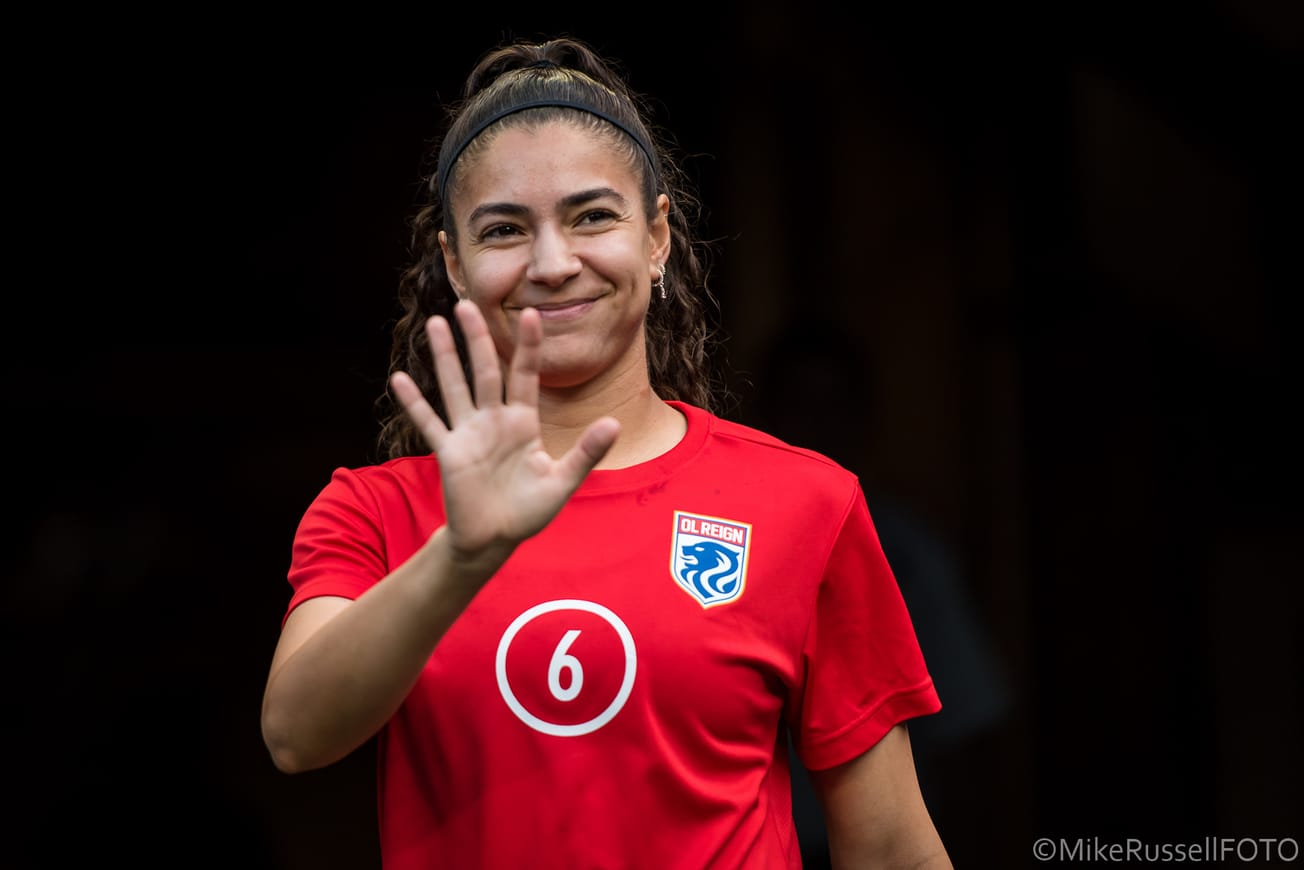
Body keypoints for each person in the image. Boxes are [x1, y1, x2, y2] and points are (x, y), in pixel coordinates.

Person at [261, 35, 952, 869]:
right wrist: (462, 556)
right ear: (455, 264)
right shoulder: (376, 509)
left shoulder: (807, 502)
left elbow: (887, 846)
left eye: (593, 215)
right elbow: (295, 735)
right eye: (505, 229)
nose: (554, 264)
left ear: (658, 238)